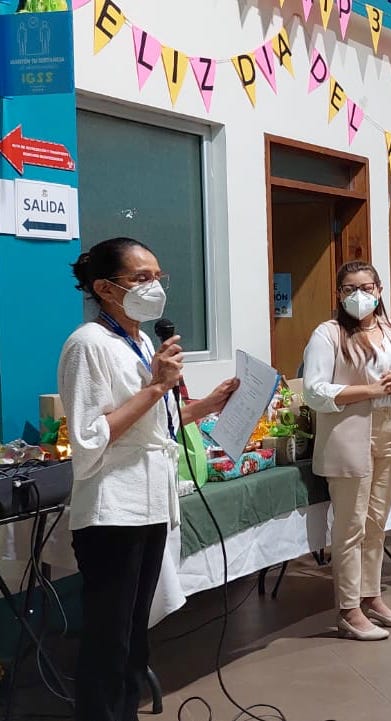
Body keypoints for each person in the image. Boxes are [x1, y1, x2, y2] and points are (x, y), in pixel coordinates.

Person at [60, 237, 240, 716]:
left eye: (158, 277)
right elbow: (90, 437)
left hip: (151, 501)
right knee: (109, 638)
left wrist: (208, 405)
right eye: (141, 278)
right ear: (105, 288)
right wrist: (158, 385)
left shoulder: (140, 341)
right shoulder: (87, 344)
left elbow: (156, 423)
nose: (154, 287)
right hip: (112, 510)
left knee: (135, 636)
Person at [303, 260, 391, 640]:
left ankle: (371, 597)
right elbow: (314, 391)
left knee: (376, 522)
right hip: (350, 435)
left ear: (380, 290)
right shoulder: (328, 333)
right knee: (350, 526)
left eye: (367, 288)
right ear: (339, 294)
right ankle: (348, 610)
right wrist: (370, 390)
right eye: (350, 289)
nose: (359, 296)